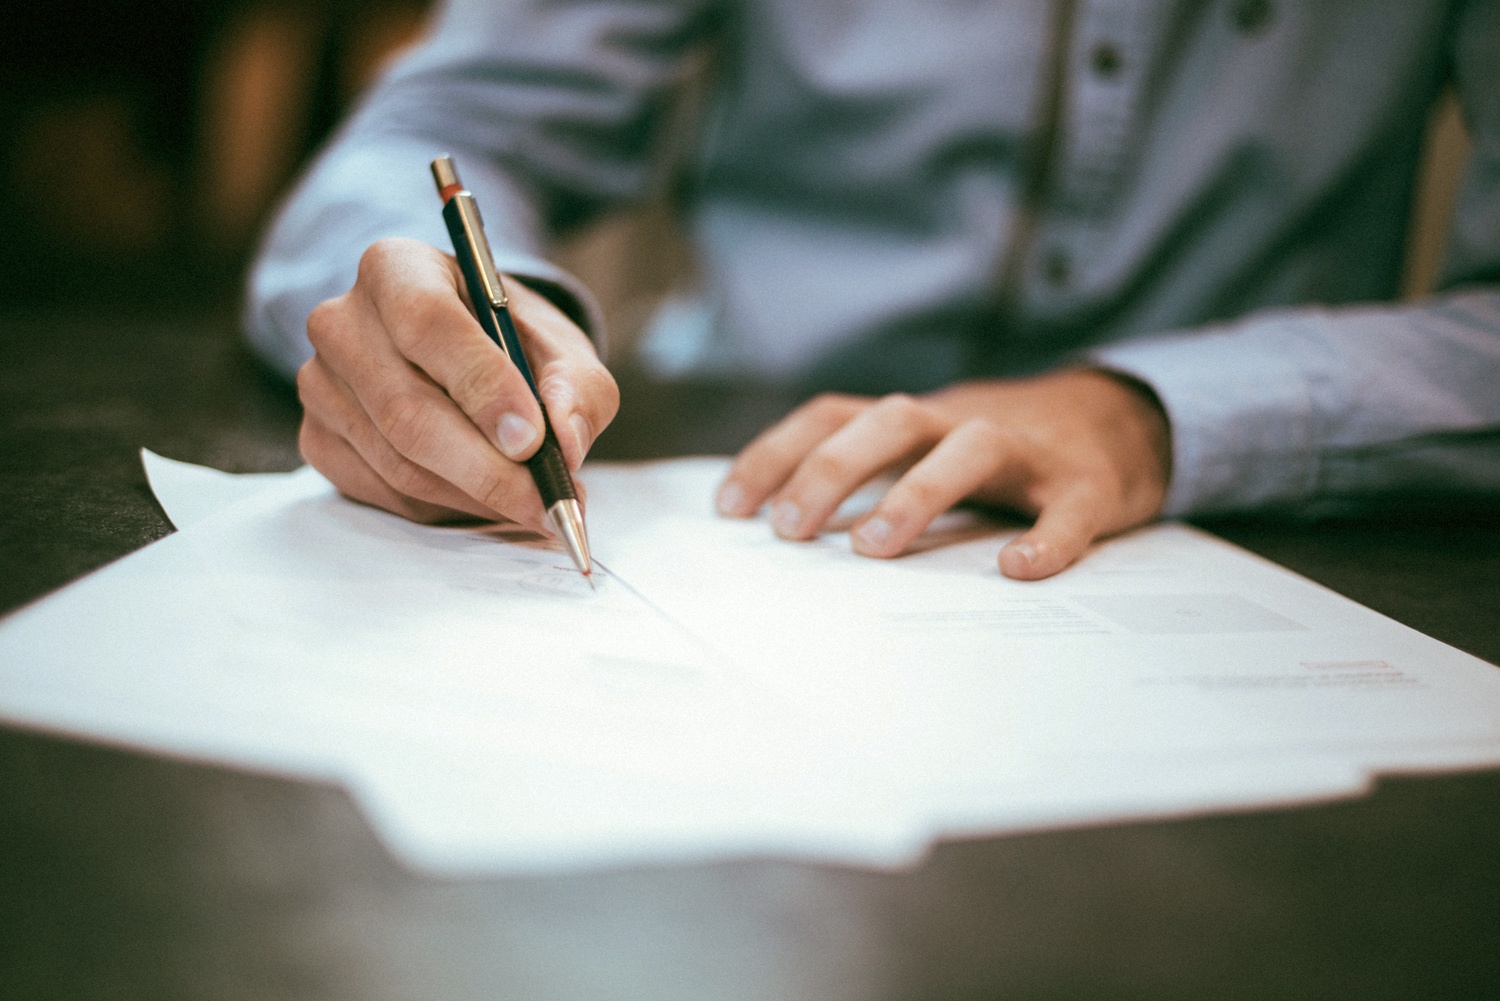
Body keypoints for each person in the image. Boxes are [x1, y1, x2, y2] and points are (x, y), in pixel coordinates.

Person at [246, 0, 1500, 580]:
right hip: (742, 485)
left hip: (1274, 534)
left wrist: (1153, 410)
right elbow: (444, 125)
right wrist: (455, 317)